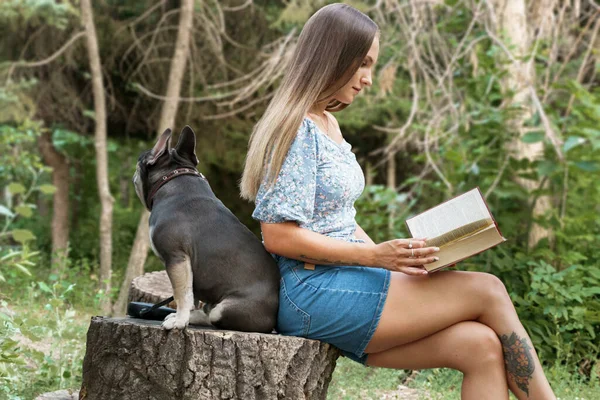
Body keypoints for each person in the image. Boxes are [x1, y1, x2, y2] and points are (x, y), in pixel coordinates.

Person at [240, 3, 556, 399]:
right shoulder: (297, 129)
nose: (369, 79)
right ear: (333, 56)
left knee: (480, 347)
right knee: (488, 290)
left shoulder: (327, 123)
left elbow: (339, 218)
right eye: (364, 64)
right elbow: (279, 237)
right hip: (313, 293)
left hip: (345, 283)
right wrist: (377, 259)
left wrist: (401, 263)